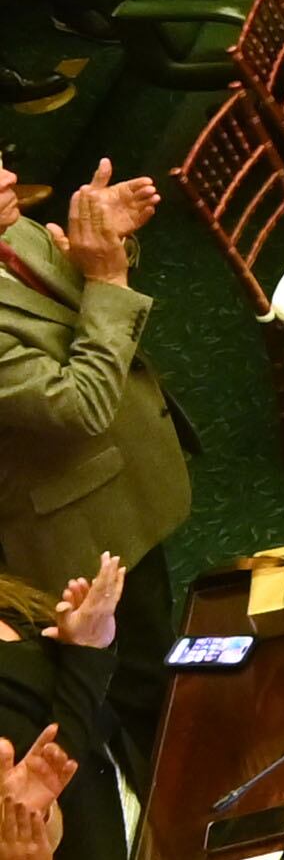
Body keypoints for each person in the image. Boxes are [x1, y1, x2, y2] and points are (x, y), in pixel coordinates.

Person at [0, 142, 186, 766]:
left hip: (119, 491)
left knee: (159, 640)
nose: (10, 177)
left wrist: (102, 246)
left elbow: (79, 295)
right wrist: (108, 278)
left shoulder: (12, 227)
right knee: (134, 691)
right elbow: (79, 408)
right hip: (70, 532)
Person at [0, 552, 126, 860]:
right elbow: (55, 774)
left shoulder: (8, 597)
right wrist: (86, 656)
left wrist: (87, 641)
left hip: (128, 792)